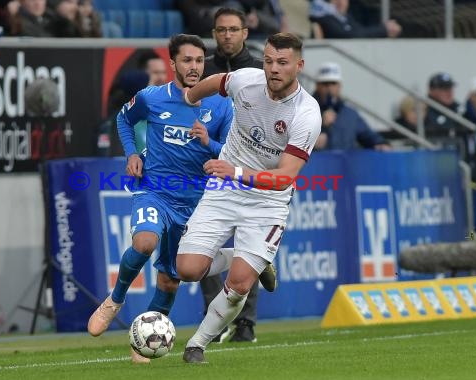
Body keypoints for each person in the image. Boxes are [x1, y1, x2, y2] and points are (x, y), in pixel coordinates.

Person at [87, 34, 235, 363]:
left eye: (199, 61)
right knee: (144, 243)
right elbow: (124, 119)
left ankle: (146, 339)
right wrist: (131, 154)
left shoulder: (221, 105)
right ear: (173, 64)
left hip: (196, 202)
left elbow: (231, 152)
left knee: (170, 279)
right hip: (155, 190)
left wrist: (209, 143)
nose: (194, 67)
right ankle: (115, 300)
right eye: (187, 60)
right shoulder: (153, 98)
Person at [176, 32, 322, 363]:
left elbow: (285, 177)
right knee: (186, 269)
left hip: (267, 200)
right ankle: (257, 260)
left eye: (282, 63)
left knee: (240, 284)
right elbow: (218, 82)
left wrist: (237, 173)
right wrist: (189, 97)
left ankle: (197, 344)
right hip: (226, 189)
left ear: (299, 65)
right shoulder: (247, 81)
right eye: (269, 60)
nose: (273, 69)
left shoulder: (307, 114)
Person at [201, 7, 270, 344]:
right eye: (220, 30)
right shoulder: (204, 71)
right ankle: (212, 324)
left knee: (246, 245)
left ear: (245, 32)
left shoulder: (261, 71)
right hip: (209, 169)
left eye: (233, 29)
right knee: (203, 246)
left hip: (249, 172)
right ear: (214, 34)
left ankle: (245, 323)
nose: (226, 35)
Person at [312, 62, 390, 151]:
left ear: (339, 86)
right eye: (325, 84)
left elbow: (368, 136)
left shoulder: (350, 114)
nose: (329, 87)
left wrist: (381, 143)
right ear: (317, 86)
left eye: (333, 83)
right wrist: (322, 126)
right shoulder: (304, 112)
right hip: (315, 164)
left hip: (344, 164)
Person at [309, 0, 401, 39]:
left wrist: (383, 30)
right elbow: (350, 35)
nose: (341, 2)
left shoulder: (346, 18)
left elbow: (360, 31)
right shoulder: (324, 18)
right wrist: (383, 30)